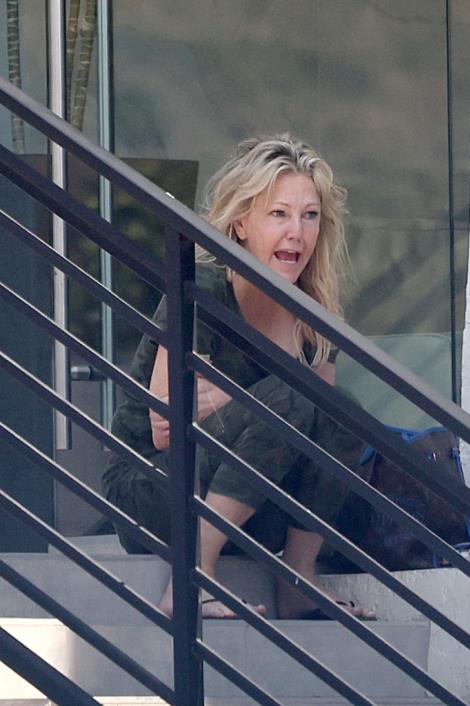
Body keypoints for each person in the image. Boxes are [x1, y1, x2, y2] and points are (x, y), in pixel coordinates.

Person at [103, 134, 375, 620]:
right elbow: (167, 427)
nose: (296, 232)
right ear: (240, 223)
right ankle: (193, 578)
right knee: (295, 397)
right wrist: (266, 404)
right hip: (156, 490)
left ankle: (296, 577)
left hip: (252, 505)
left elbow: (321, 437)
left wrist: (224, 398)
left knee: (341, 410)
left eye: (309, 215)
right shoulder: (202, 291)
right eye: (278, 214)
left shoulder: (316, 320)